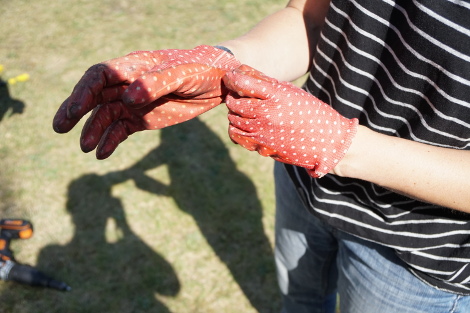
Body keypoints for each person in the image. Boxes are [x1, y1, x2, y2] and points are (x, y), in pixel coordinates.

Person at [53, 0, 470, 312]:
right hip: (305, 181)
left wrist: (341, 143)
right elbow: (309, 16)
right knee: (300, 302)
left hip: (414, 247)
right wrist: (223, 61)